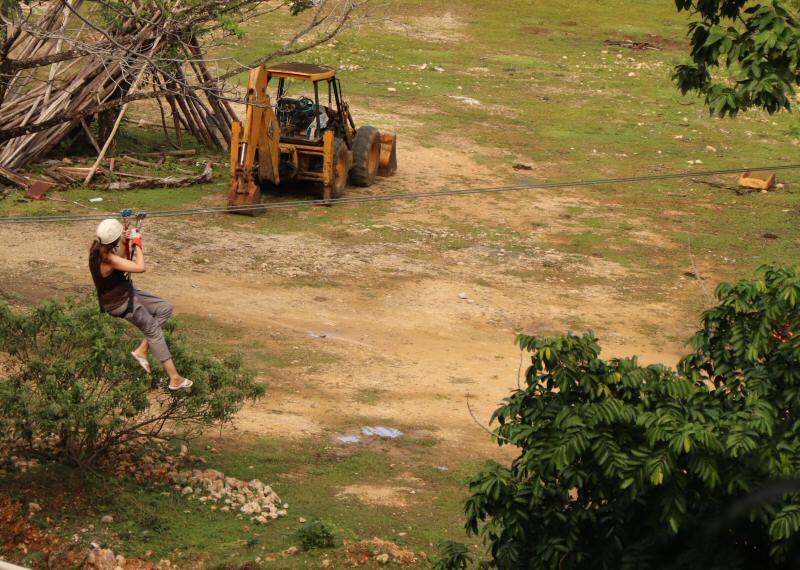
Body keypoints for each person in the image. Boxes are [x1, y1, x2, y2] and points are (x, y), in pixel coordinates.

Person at [89, 218, 192, 391]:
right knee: (153, 330)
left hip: (127, 293)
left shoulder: (99, 250)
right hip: (120, 302)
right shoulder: (106, 258)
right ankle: (175, 378)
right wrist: (137, 245)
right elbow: (140, 267)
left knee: (164, 308)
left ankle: (142, 349)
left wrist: (123, 242)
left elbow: (118, 260)